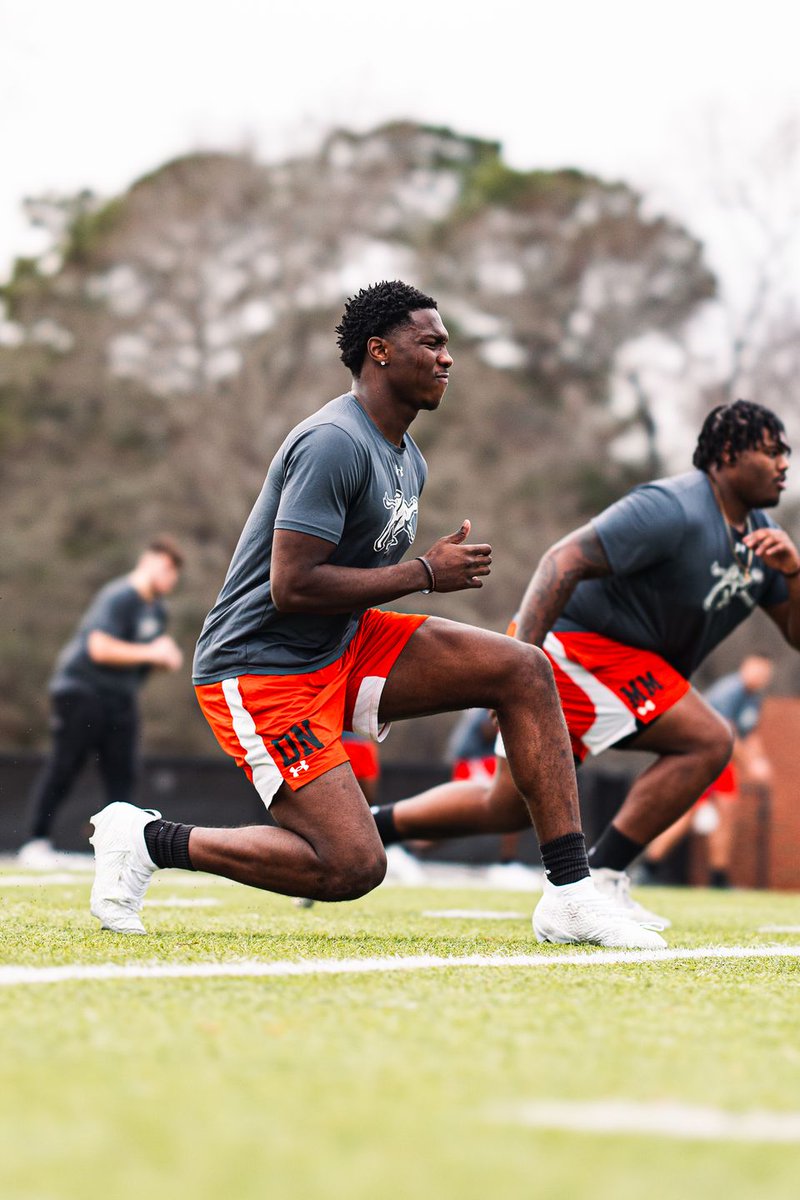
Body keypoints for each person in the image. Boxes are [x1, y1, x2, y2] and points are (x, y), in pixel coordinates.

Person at [87, 280, 662, 948]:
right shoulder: (333, 442)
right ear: (379, 351)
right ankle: (149, 840)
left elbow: (344, 584)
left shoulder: (408, 459)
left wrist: (418, 578)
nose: (447, 359)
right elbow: (291, 587)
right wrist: (424, 573)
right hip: (261, 669)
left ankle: (570, 894)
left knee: (524, 670)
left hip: (342, 643)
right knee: (353, 865)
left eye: (449, 346)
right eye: (432, 343)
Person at [370, 400, 800, 929]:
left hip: (616, 670)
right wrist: (516, 663)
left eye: (787, 453)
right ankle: (604, 879)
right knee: (708, 739)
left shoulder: (765, 541)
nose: (785, 463)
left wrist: (795, 575)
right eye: (772, 450)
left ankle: (373, 828)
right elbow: (562, 560)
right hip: (581, 649)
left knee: (503, 806)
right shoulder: (673, 507)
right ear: (729, 454)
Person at [18, 536, 184, 867]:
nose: (170, 579)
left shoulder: (157, 611)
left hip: (120, 698)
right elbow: (100, 648)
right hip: (82, 691)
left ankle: (117, 850)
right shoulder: (119, 596)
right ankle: (35, 842)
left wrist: (165, 658)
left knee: (123, 775)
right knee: (65, 765)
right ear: (149, 562)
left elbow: (143, 658)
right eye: (167, 569)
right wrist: (153, 651)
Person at [642, 654, 775, 888]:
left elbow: (750, 734)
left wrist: (760, 760)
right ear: (746, 666)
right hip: (705, 757)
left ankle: (717, 877)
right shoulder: (730, 691)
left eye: (765, 674)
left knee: (727, 813)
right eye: (757, 670)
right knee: (687, 814)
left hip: (723, 761)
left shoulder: (753, 698)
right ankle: (647, 868)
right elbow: (728, 734)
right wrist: (750, 764)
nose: (760, 677)